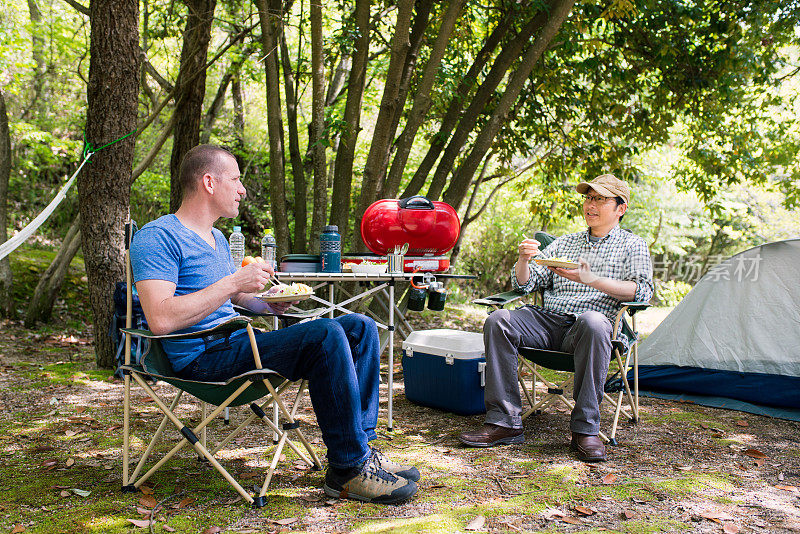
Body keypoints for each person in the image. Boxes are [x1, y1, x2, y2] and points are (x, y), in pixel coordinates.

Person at [130, 144, 419, 504]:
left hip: (238, 342)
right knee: (325, 334)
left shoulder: (218, 238)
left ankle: (361, 453)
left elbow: (230, 300)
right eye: (235, 179)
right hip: (204, 359)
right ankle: (347, 469)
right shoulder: (158, 237)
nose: (242, 189)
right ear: (208, 182)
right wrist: (235, 281)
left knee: (360, 326)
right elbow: (160, 318)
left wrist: (272, 302)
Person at [458, 174, 654, 462]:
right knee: (498, 319)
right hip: (548, 323)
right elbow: (526, 284)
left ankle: (585, 430)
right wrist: (524, 260)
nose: (591, 205)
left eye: (600, 199)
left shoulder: (632, 246)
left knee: (594, 321)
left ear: (620, 208)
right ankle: (504, 422)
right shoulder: (565, 243)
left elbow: (642, 292)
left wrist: (592, 279)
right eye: (589, 198)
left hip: (593, 329)